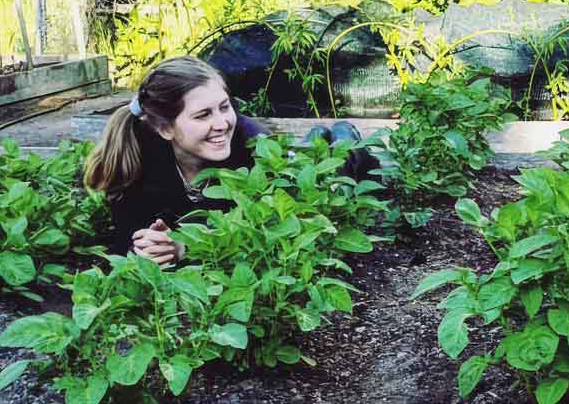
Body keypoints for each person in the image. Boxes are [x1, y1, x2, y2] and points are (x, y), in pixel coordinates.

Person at [83, 56, 374, 267]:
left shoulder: (252, 144)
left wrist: (186, 248)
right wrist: (151, 246)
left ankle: (345, 136)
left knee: (328, 169)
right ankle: (318, 136)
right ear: (165, 129)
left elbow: (271, 229)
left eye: (224, 107)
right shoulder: (136, 155)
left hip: (317, 163)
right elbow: (127, 235)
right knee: (310, 150)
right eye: (202, 115)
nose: (221, 123)